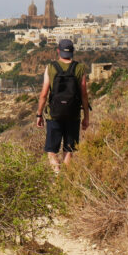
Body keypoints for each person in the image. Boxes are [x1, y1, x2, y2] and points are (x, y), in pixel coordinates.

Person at [35, 38, 90, 173]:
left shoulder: (51, 67)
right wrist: (86, 117)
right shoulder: (80, 68)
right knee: (69, 149)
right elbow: (84, 95)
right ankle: (65, 182)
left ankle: (57, 176)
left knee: (52, 151)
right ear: (72, 52)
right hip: (73, 114)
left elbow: (43, 94)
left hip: (54, 115)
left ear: (58, 51)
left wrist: (39, 114)